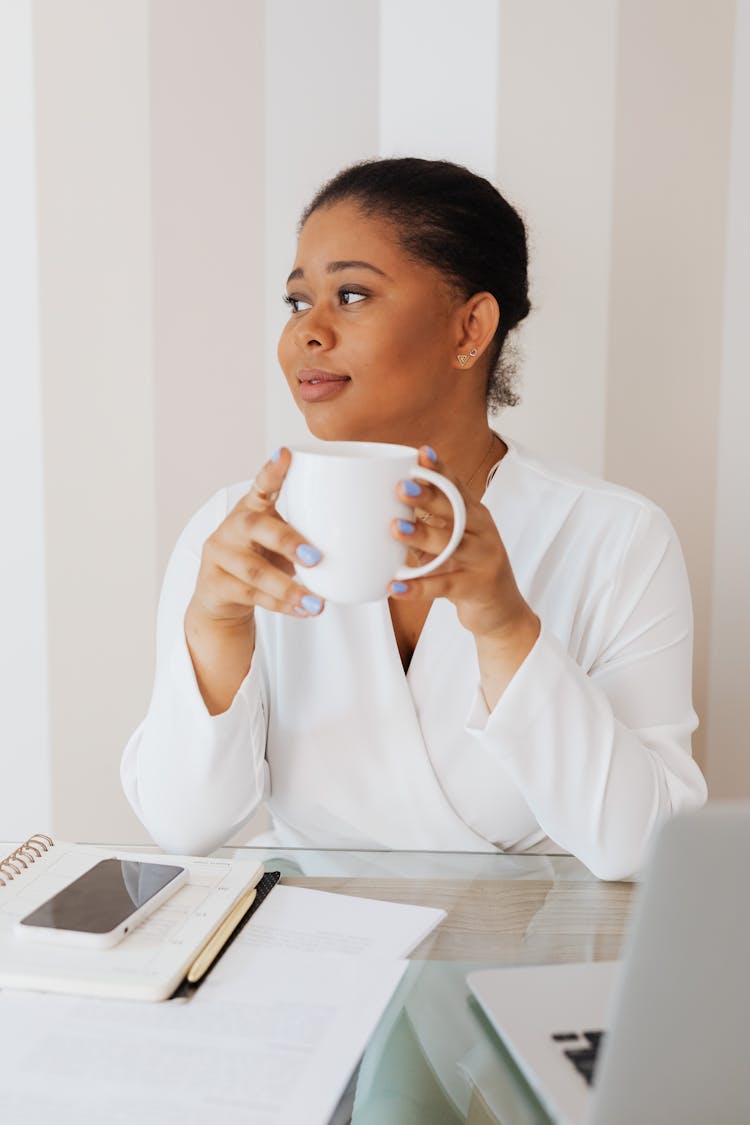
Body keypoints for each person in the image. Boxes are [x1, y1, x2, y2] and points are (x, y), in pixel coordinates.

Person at [121, 157, 707, 879]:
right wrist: (213, 625)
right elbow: (183, 827)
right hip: (301, 962)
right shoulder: (240, 537)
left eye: (353, 294)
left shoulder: (617, 538)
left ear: (471, 327)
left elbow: (649, 851)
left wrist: (506, 629)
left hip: (520, 971)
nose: (308, 331)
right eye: (298, 301)